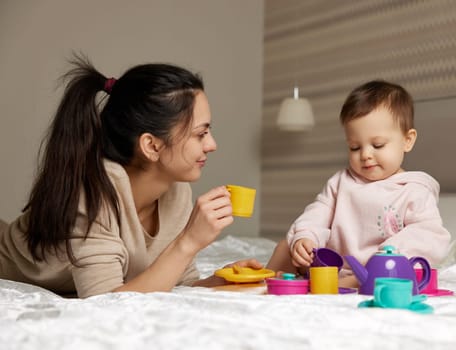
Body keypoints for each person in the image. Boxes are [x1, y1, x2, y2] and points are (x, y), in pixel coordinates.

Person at [0, 54, 262, 298]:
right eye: (200, 134)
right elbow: (107, 302)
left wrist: (221, 280)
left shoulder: (176, 191)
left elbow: (174, 281)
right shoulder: (94, 191)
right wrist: (189, 241)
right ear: (151, 146)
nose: (212, 144)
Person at [266, 80, 451, 287]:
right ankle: (263, 285)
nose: (365, 155)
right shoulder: (340, 182)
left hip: (376, 268)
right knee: (285, 247)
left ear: (407, 140)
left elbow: (428, 234)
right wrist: (305, 238)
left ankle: (355, 282)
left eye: (377, 145)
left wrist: (389, 253)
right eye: (354, 147)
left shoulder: (413, 190)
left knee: (395, 270)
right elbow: (317, 213)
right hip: (329, 265)